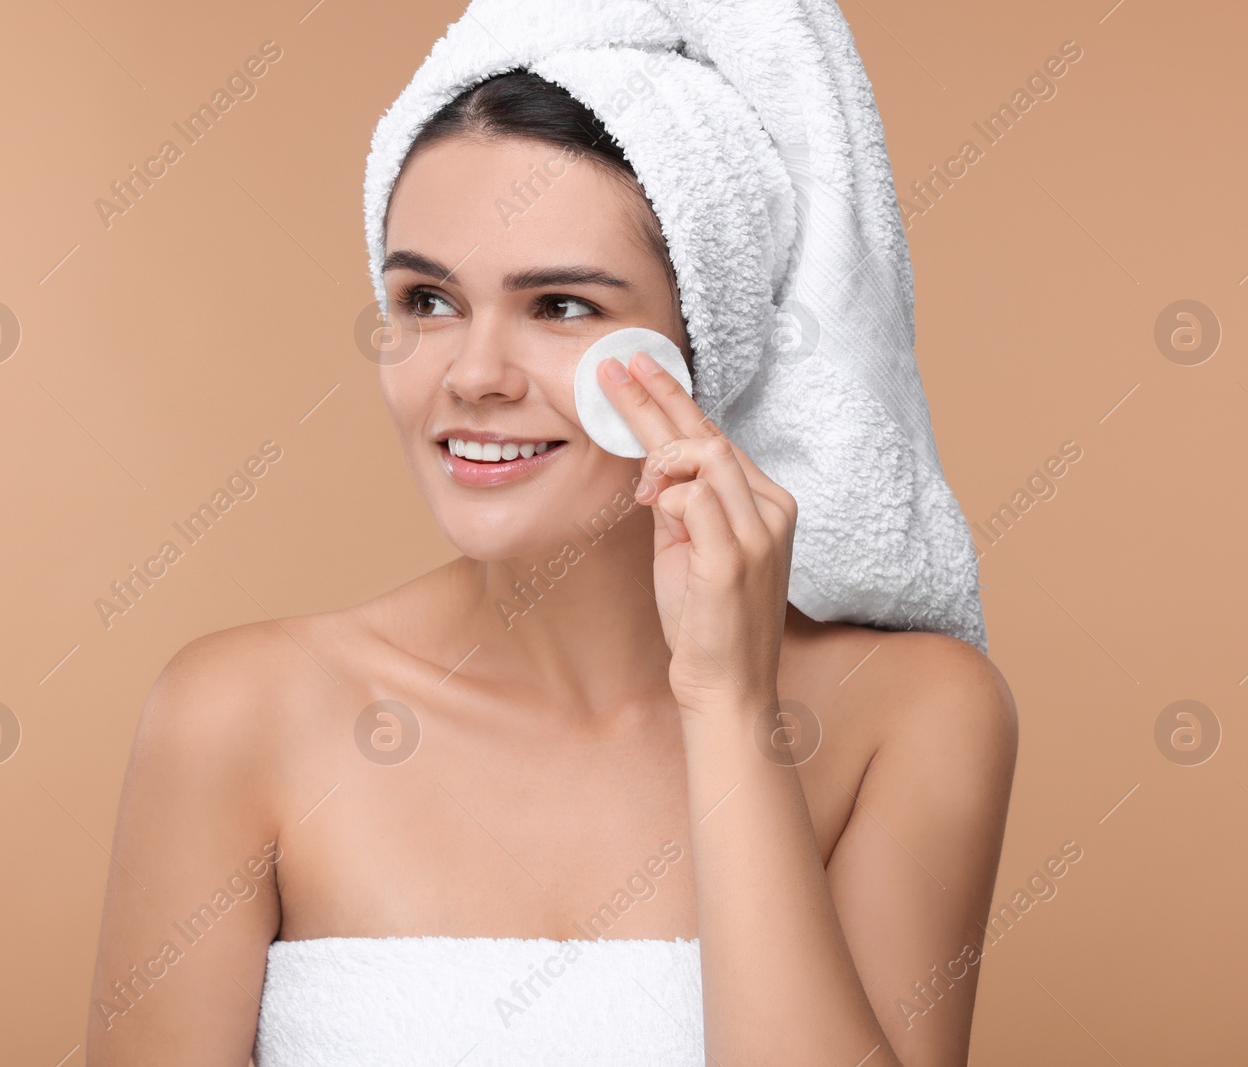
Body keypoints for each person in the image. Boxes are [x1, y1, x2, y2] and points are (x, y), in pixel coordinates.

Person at [87, 52, 1014, 1067]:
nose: (473, 375)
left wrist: (729, 707)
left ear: (710, 338)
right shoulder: (240, 712)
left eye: (561, 306)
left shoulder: (912, 715)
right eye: (427, 300)